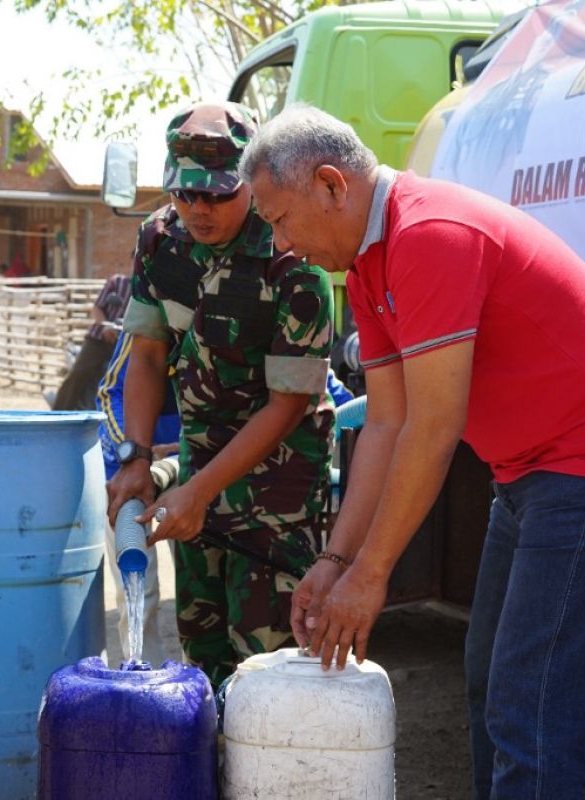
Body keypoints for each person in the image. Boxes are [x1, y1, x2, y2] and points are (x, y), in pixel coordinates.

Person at [244, 105, 585, 798]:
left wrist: (371, 577)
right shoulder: (368, 263)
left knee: (533, 708)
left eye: (280, 218)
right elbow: (385, 425)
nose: (281, 242)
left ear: (331, 185)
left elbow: (433, 428)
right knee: (491, 680)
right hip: (526, 472)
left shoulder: (428, 234)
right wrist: (337, 561)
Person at [106, 101, 335, 688]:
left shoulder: (294, 253)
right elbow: (150, 353)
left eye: (217, 194)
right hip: (198, 480)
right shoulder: (160, 240)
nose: (198, 210)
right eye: (186, 194)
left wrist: (197, 490)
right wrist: (136, 456)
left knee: (268, 667)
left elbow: (287, 404)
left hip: (276, 499)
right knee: (202, 655)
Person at [96, 328, 181, 665]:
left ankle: (194, 693)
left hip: (194, 471)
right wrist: (135, 455)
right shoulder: (154, 314)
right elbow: (109, 392)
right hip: (128, 473)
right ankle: (143, 681)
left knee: (197, 595)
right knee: (140, 594)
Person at [52, 273, 131, 411]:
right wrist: (105, 325)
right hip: (99, 339)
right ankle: (59, 412)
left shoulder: (145, 290)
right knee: (79, 373)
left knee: (120, 381)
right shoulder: (117, 282)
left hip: (125, 343)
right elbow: (97, 308)